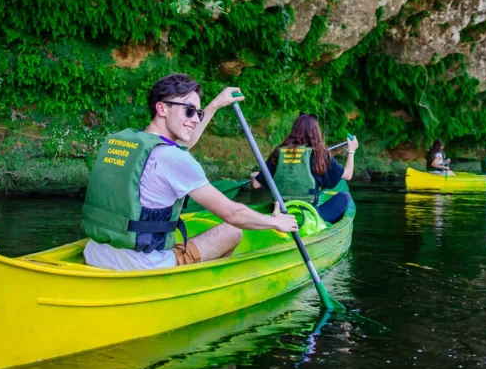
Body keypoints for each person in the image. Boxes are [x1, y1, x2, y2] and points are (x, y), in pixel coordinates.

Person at [81, 74, 299, 271]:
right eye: (189, 110)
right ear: (162, 108)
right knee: (232, 231)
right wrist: (277, 223)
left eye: (198, 112)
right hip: (143, 265)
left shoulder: (132, 143)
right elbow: (233, 214)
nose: (195, 119)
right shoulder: (174, 159)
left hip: (96, 253)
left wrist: (214, 105)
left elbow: (182, 147)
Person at [249, 113, 358, 224]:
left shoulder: (279, 153)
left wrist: (254, 176)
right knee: (345, 197)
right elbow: (348, 175)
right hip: (309, 214)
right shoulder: (320, 155)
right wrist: (351, 151)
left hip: (282, 211)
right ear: (316, 132)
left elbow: (256, 184)